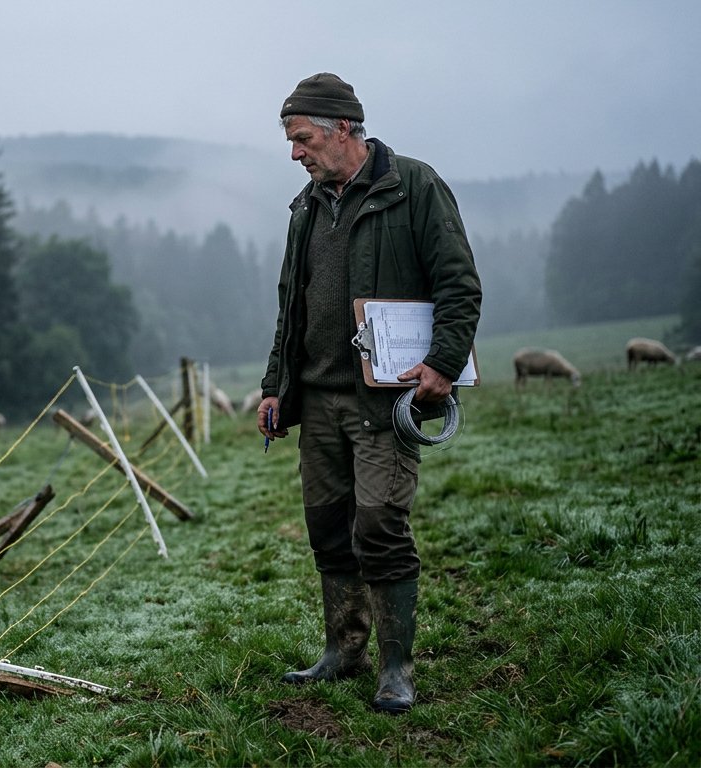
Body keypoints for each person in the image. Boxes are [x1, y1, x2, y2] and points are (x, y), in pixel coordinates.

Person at [257, 73, 481, 714]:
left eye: (302, 139)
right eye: (293, 141)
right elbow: (290, 308)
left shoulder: (412, 185)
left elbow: (459, 283)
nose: (295, 153)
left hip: (386, 400)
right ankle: (341, 651)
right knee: (328, 527)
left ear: (343, 129)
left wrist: (442, 362)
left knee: (380, 525)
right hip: (318, 398)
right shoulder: (306, 206)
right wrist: (276, 387)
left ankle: (396, 668)